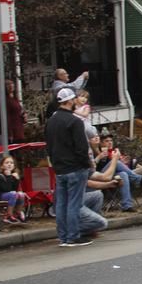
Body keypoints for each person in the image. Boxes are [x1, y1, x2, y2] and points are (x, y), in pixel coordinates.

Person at [45, 88, 92, 247]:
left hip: (60, 168)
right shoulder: (75, 121)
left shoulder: (51, 121)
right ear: (70, 101)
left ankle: (63, 236)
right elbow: (81, 147)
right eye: (73, 100)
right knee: (74, 204)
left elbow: (49, 146)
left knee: (61, 204)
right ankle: (73, 236)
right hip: (75, 167)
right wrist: (86, 164)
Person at [0, 156, 28, 224]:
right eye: (7, 163)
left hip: (9, 194)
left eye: (11, 163)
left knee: (21, 194)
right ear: (2, 166)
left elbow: (14, 189)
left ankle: (18, 213)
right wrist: (8, 177)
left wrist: (16, 179)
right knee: (13, 194)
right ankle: (9, 215)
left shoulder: (12, 175)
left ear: (14, 165)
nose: (9, 164)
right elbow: (6, 189)